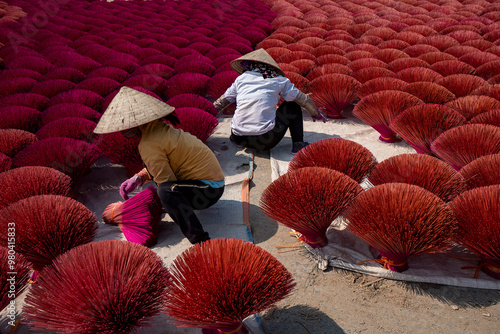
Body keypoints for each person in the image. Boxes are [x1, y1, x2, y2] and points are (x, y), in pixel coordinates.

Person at [94, 86, 225, 244]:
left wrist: (157, 201)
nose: (125, 131)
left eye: (126, 128)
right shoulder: (160, 130)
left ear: (137, 125)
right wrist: (139, 177)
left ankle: (201, 240)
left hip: (207, 191)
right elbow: (163, 165)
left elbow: (166, 181)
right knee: (165, 191)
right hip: (211, 187)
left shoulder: (149, 143)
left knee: (165, 191)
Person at [213, 49, 327, 154]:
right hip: (265, 142)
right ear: (271, 67)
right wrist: (316, 114)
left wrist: (207, 114)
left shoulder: (241, 79)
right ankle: (298, 145)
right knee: (293, 105)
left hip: (238, 137)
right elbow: (303, 99)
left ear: (251, 66)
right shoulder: (278, 80)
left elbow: (222, 102)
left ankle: (237, 141)